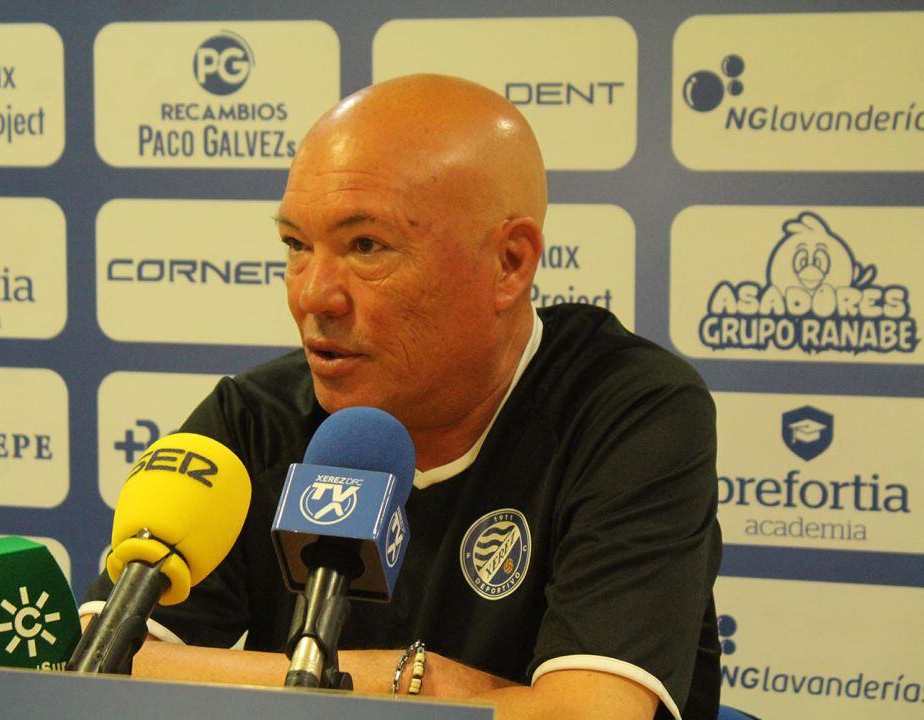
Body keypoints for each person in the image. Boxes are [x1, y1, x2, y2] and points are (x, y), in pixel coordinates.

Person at [82, 74, 722, 720]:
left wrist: (326, 685)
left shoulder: (629, 411)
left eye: (366, 246)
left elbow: (588, 716)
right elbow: (99, 665)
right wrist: (423, 682)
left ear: (509, 263)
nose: (312, 295)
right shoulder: (255, 420)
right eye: (296, 246)